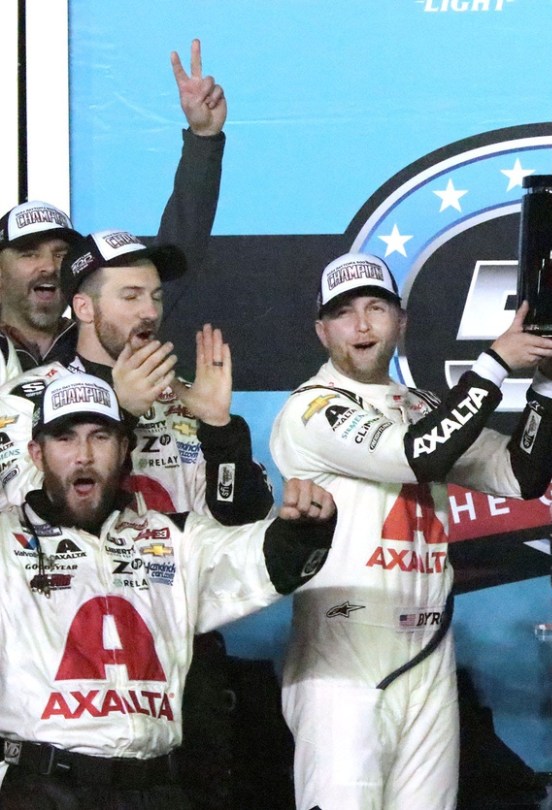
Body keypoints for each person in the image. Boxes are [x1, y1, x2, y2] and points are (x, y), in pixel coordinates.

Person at [270, 252, 552, 810]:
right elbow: (418, 455)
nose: (364, 324)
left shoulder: (420, 405)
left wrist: (548, 382)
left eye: (377, 307)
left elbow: (521, 474)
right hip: (343, 666)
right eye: (345, 313)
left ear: (403, 322)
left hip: (428, 658)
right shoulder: (311, 408)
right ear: (322, 331)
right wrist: (494, 362)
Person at [0, 372, 337, 809]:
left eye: (100, 437)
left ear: (124, 450)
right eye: (65, 439)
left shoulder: (174, 536)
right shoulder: (5, 540)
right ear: (36, 454)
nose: (83, 456)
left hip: (157, 785)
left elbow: (264, 559)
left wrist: (308, 527)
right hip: (41, 788)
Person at [0, 228, 274, 524]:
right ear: (84, 308)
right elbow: (26, 512)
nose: (150, 312)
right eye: (131, 297)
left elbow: (246, 524)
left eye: (156, 297)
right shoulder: (25, 398)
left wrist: (219, 430)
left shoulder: (186, 399)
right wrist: (120, 414)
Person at [0, 38, 226, 373]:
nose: (49, 266)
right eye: (29, 253)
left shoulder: (107, 337)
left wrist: (203, 139)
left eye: (61, 253)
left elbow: (183, 239)